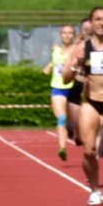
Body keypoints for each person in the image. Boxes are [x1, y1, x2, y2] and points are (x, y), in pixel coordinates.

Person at [63, 7, 103, 206]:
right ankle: (95, 189)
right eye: (97, 19)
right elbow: (65, 78)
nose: (101, 23)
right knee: (88, 151)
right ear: (91, 22)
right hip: (90, 101)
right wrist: (76, 66)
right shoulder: (83, 47)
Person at [42, 24, 78, 159]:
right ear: (60, 35)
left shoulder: (76, 50)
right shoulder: (56, 50)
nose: (67, 35)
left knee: (74, 120)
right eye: (64, 33)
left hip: (72, 87)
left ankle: (71, 126)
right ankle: (62, 148)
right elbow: (55, 61)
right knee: (61, 117)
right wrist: (48, 68)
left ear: (73, 35)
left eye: (70, 33)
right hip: (58, 87)